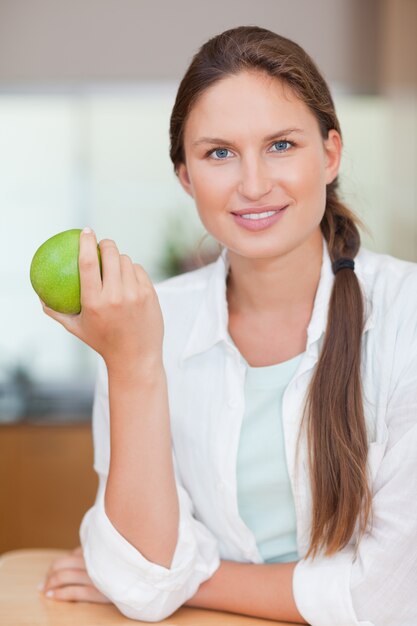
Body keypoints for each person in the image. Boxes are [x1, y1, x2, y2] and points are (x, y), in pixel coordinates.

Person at [38, 25, 417, 626]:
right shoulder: (146, 326)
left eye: (282, 145)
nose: (253, 183)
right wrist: (133, 366)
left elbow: (388, 599)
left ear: (331, 153)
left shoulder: (407, 316)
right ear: (186, 176)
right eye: (219, 153)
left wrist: (187, 578)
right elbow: (142, 583)